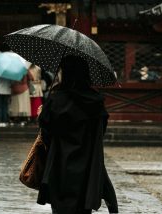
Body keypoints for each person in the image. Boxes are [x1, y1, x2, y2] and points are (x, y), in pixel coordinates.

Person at [37, 55, 118, 214]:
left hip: (60, 164)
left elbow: (46, 134)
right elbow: (100, 133)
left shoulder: (56, 100)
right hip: (87, 165)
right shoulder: (96, 101)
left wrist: (42, 115)